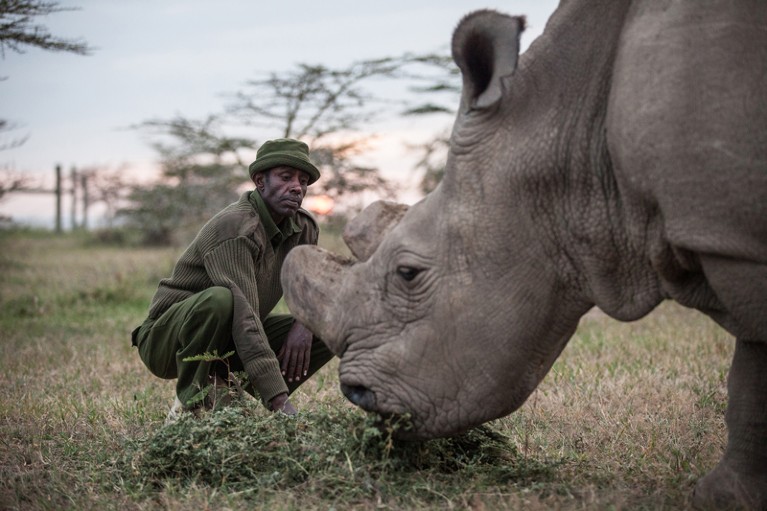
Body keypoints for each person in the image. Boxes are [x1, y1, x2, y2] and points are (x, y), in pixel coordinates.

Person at [131, 138, 333, 418]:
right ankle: (193, 403)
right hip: (167, 340)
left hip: (228, 340)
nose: (297, 187)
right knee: (221, 300)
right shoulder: (237, 227)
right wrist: (280, 402)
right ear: (260, 181)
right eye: (286, 178)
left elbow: (314, 286)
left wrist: (305, 324)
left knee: (327, 327)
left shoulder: (304, 228)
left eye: (303, 181)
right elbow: (244, 314)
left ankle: (227, 389)